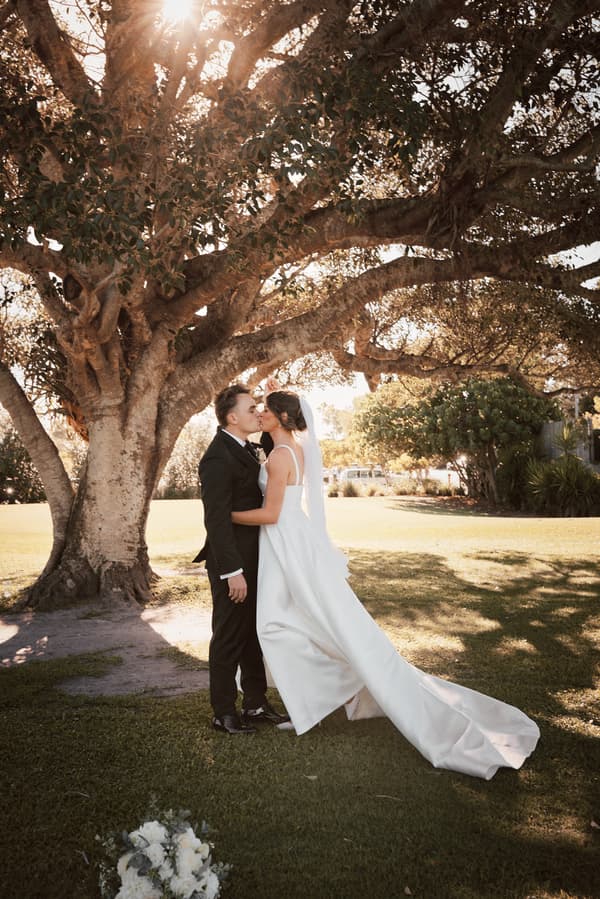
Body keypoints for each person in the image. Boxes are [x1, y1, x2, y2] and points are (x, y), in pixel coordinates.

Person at [231, 382, 540, 779]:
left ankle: (325, 693)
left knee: (274, 625)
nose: (260, 415)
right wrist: (276, 391)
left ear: (284, 418)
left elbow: (272, 513)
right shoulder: (296, 449)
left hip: (285, 543)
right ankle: (316, 697)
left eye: (267, 411)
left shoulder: (279, 458)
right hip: (292, 542)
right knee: (299, 623)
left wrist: (226, 516)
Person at [194, 384, 289, 735]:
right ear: (232, 417)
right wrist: (233, 572)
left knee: (252, 634)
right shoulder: (217, 457)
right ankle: (223, 711)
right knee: (228, 635)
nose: (258, 413)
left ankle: (255, 702)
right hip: (230, 563)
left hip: (256, 559)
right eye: (252, 409)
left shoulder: (248, 448)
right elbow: (216, 520)